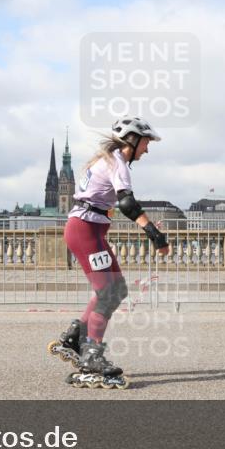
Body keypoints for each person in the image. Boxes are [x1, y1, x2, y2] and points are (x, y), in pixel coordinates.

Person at [48, 117, 170, 389]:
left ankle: (75, 336)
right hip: (85, 231)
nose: (147, 149)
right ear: (132, 140)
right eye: (146, 143)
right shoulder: (117, 163)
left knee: (116, 289)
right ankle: (92, 355)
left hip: (89, 229)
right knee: (108, 293)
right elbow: (127, 203)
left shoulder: (108, 159)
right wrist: (153, 233)